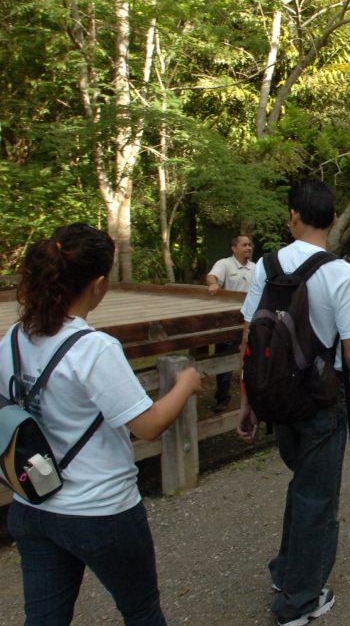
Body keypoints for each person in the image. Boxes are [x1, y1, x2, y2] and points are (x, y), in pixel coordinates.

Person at [0, 223, 202, 625]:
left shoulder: (13, 339)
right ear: (98, 284)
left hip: (33, 504)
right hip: (100, 510)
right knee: (141, 610)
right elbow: (146, 426)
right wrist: (186, 384)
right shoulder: (93, 348)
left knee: (43, 617)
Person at [236, 178, 350, 626]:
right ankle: (298, 602)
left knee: (302, 487)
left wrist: (248, 401)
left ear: (293, 216)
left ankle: (287, 572)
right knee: (317, 498)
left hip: (277, 397)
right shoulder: (343, 275)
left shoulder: (266, 265)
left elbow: (251, 337)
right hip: (321, 400)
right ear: (335, 219)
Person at [206, 234, 256, 412]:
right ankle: (222, 397)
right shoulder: (225, 264)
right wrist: (213, 284)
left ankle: (253, 395)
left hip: (250, 320)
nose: (248, 248)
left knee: (253, 358)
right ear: (234, 248)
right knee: (223, 358)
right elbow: (212, 277)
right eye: (244, 245)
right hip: (228, 322)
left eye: (249, 245)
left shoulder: (255, 268)